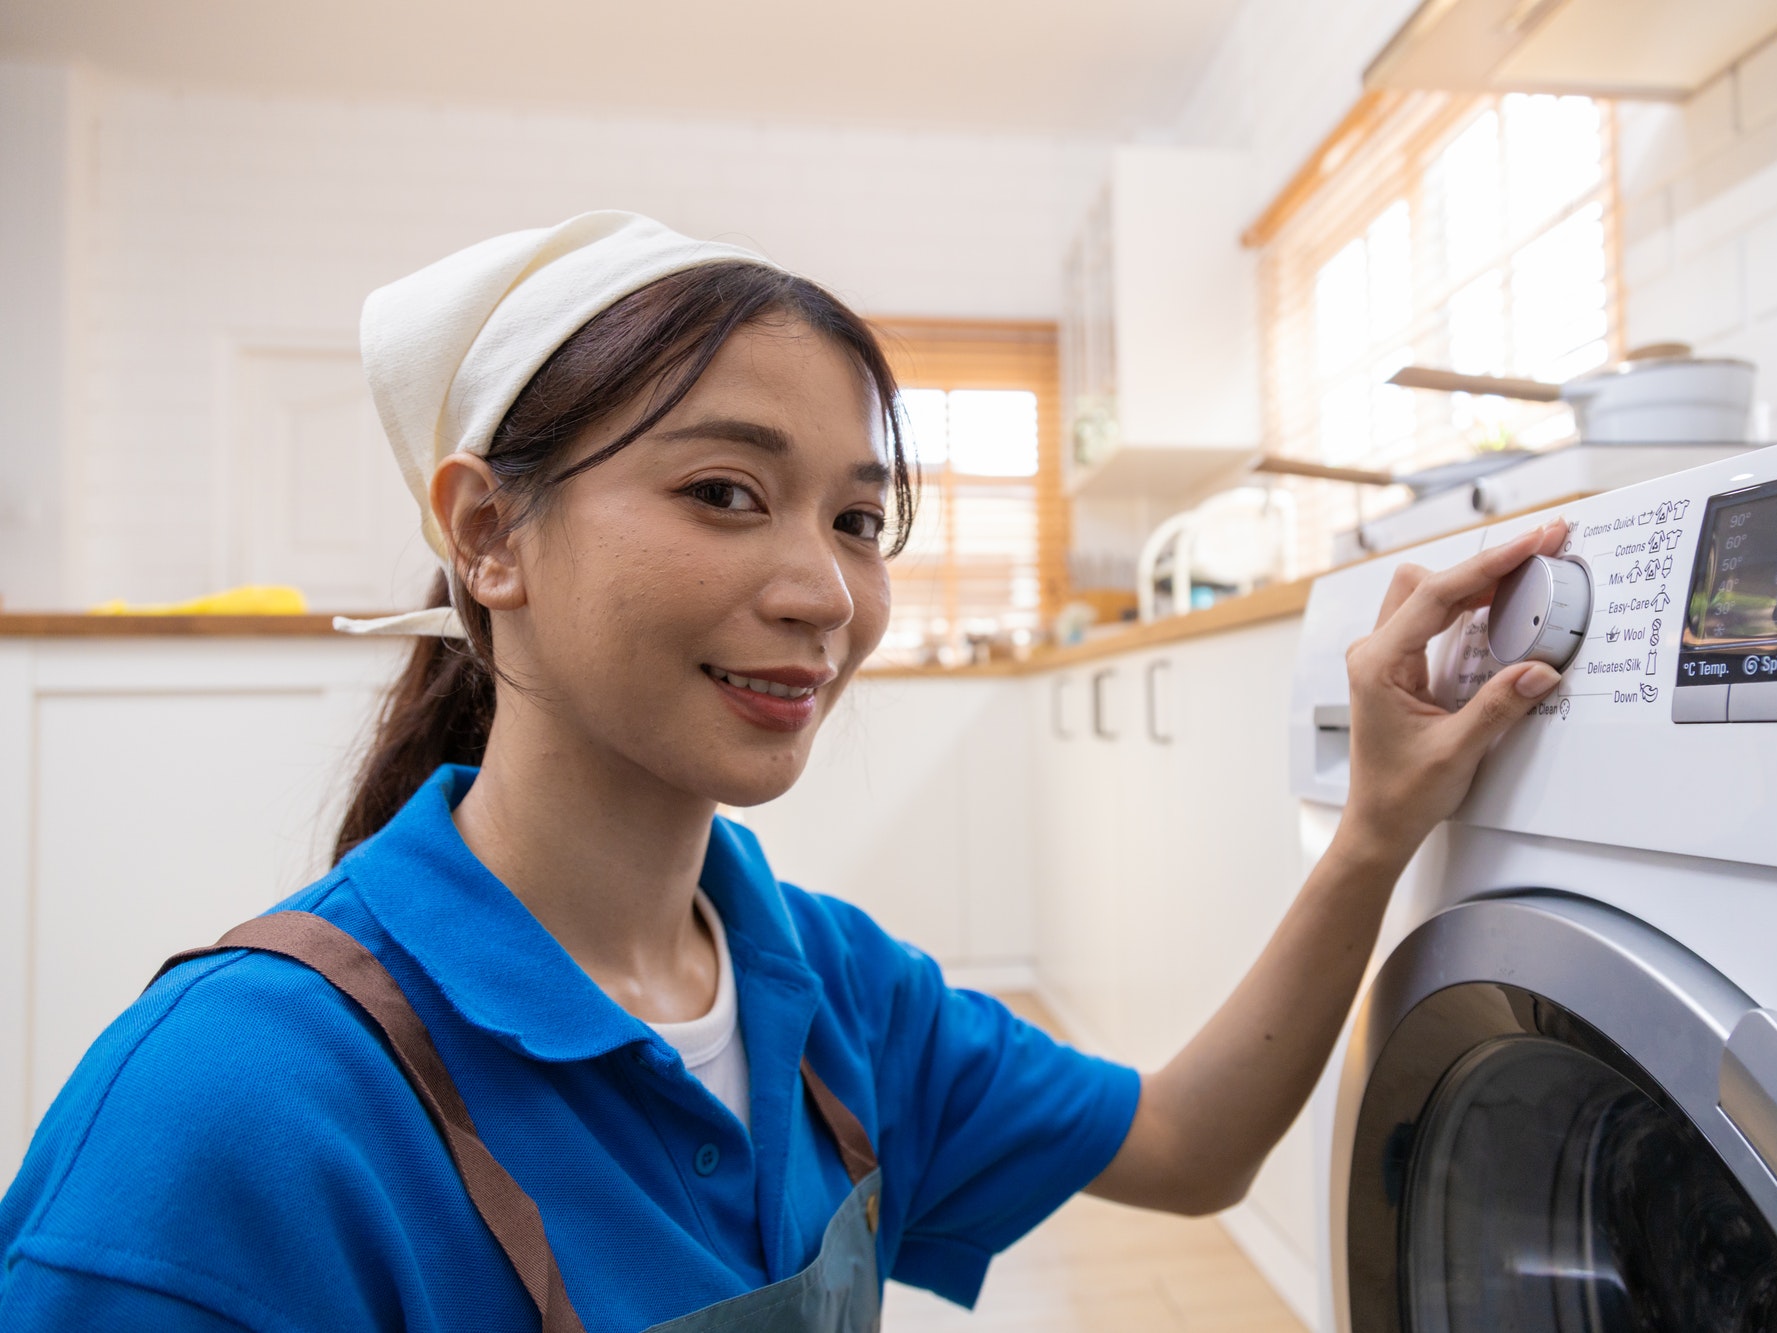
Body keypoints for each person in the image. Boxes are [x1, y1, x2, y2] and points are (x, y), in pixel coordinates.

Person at [0, 213, 1565, 1331]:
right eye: (727, 491)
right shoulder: (235, 1114)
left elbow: (1188, 1146)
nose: (824, 590)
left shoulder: (824, 989)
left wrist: (1373, 830)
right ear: (485, 532)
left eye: (858, 519)